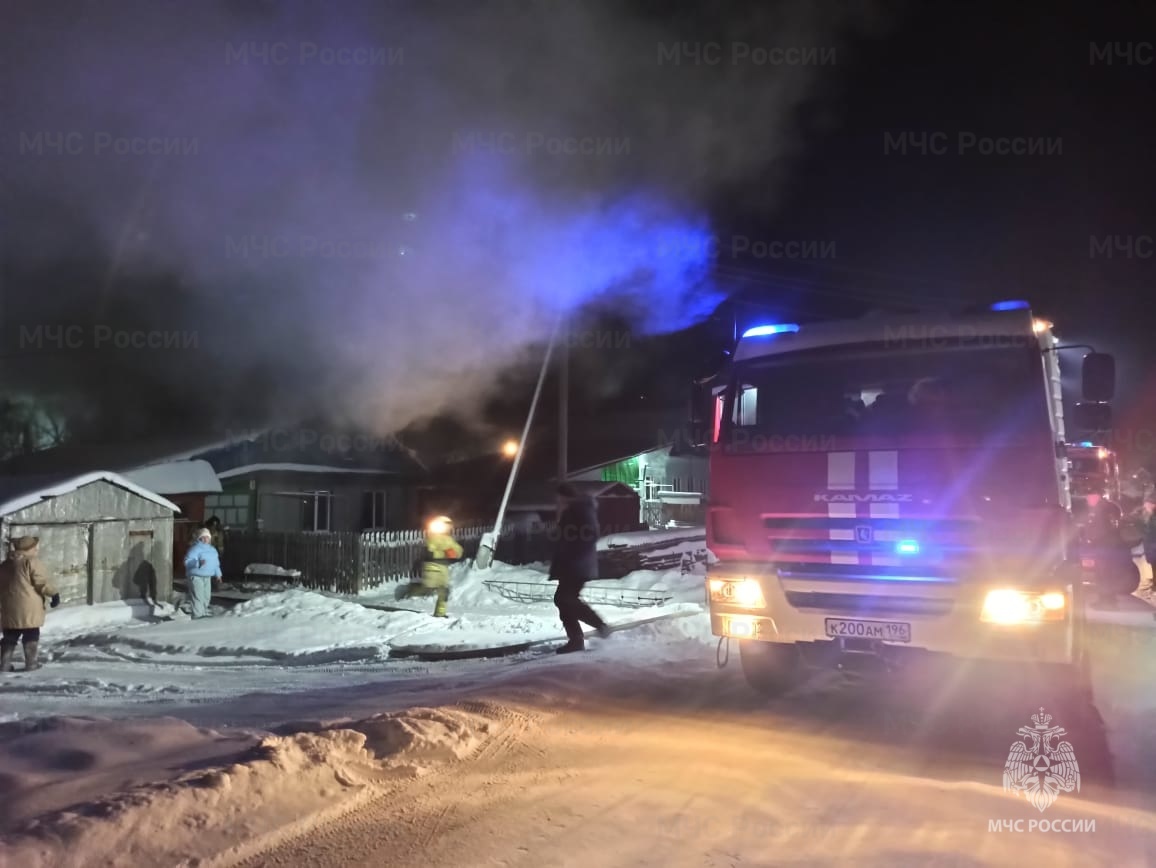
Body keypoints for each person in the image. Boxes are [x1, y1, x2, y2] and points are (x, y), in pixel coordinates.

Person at [549, 483, 610, 654]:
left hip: (576, 565)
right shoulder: (573, 510)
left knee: (564, 598)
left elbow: (591, 534)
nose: (557, 501)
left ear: (566, 497)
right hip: (570, 564)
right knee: (563, 599)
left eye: (559, 498)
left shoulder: (581, 508)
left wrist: (573, 554)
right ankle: (577, 639)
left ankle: (596, 627)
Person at [0, 536, 59, 672]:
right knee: (31, 634)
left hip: (9, 607)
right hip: (29, 607)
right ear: (29, 549)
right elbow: (41, 583)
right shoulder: (31, 562)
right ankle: (31, 663)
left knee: (10, 636)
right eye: (35, 547)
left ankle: (4, 664)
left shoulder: (5, 565)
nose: (36, 550)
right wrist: (53, 593)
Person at [419, 515, 461, 617]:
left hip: (443, 567)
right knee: (433, 588)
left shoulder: (449, 539)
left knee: (444, 592)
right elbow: (429, 551)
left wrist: (452, 553)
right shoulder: (432, 538)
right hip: (433, 566)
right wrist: (443, 552)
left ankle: (440, 613)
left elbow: (458, 551)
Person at [183, 527, 221, 619]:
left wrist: (218, 575)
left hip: (207, 577)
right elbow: (187, 561)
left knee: (206, 597)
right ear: (199, 538)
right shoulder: (195, 548)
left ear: (210, 538)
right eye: (203, 537)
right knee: (198, 596)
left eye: (207, 537)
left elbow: (216, 563)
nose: (205, 539)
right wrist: (198, 563)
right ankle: (197, 616)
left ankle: (202, 614)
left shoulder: (213, 550)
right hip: (195, 576)